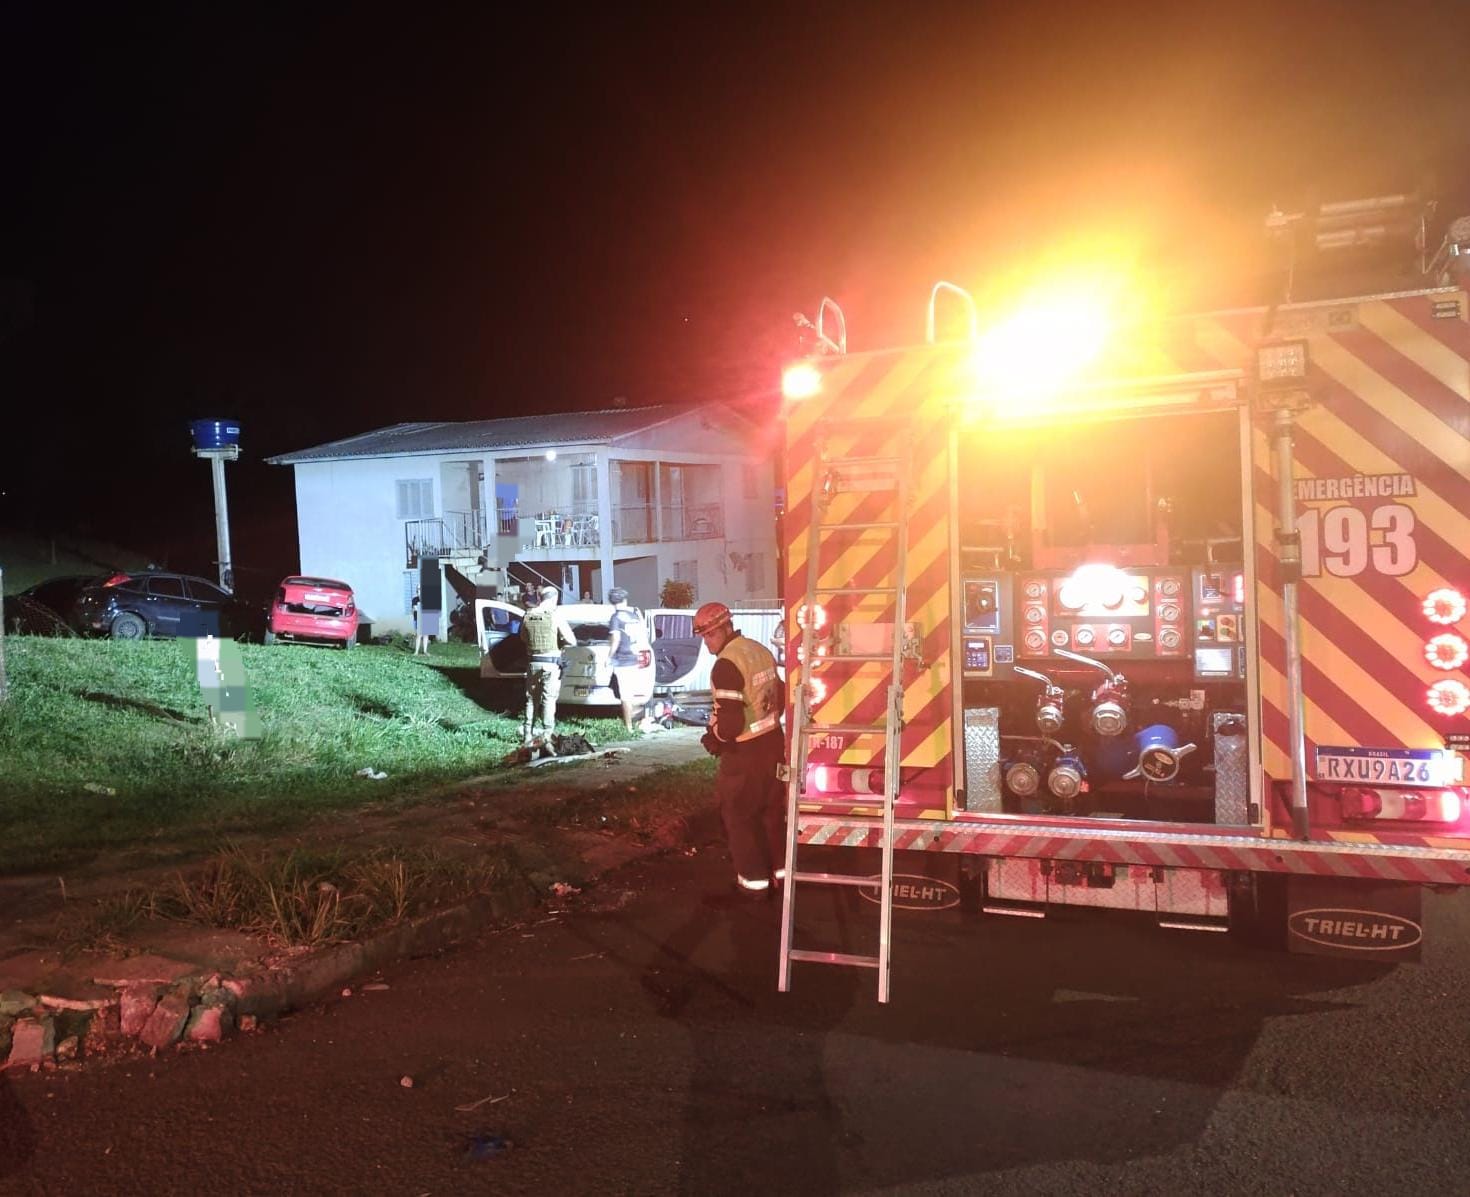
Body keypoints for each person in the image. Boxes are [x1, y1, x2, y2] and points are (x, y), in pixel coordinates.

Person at [693, 600, 786, 905]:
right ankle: (782, 877)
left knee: (739, 817)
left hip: (744, 754)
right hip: (773, 743)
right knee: (772, 815)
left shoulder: (726, 664)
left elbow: (731, 723)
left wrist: (715, 737)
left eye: (707, 635)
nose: (706, 642)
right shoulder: (758, 650)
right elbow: (779, 696)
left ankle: (754, 886)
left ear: (719, 630)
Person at [519, 584, 576, 751]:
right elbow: (572, 641)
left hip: (533, 662)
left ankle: (527, 735)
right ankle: (546, 736)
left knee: (531, 699)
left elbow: (523, 637)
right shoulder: (555, 616)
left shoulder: (528, 614)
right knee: (549, 700)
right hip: (551, 664)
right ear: (554, 598)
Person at [606, 587, 654, 733]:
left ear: (611, 602)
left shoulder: (616, 618)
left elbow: (616, 638)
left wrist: (609, 657)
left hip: (622, 660)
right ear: (625, 600)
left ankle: (629, 728)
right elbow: (642, 635)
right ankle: (638, 720)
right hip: (634, 659)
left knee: (625, 695)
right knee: (632, 694)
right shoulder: (634, 616)